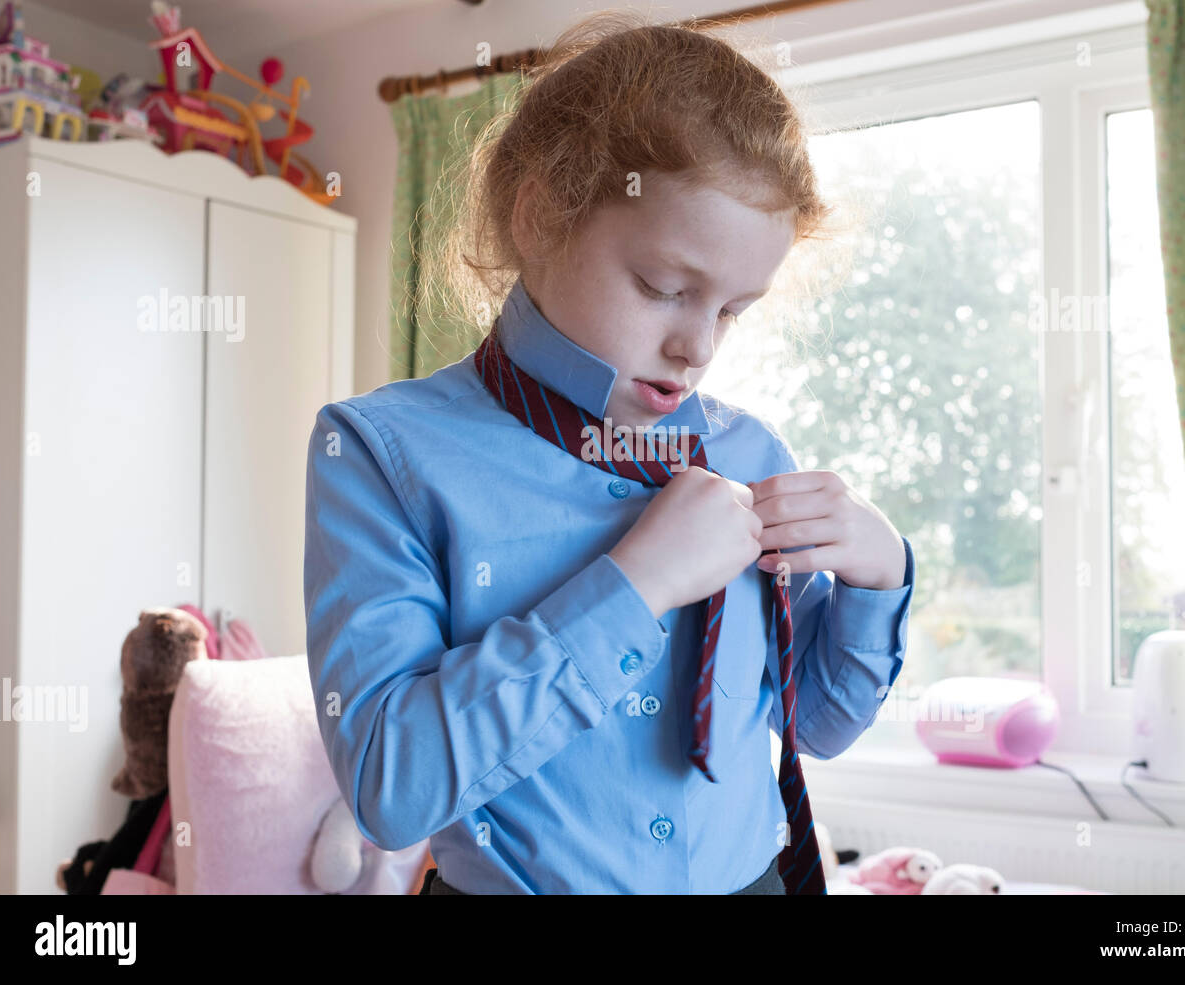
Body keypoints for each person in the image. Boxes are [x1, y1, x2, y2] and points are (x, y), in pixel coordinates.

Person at [303, 10, 914, 895]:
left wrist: (880, 571)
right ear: (543, 212)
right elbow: (390, 790)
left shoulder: (748, 450)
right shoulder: (378, 453)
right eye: (665, 288)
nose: (698, 347)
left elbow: (813, 720)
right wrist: (634, 587)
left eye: (734, 309)